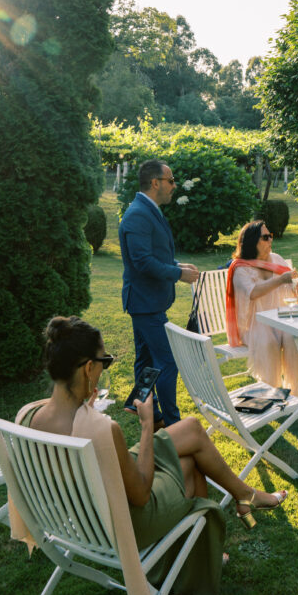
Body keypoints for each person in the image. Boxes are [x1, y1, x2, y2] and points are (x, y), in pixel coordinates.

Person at [18, 318, 288, 585]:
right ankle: (204, 561)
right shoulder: (101, 429)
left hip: (87, 514)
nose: (104, 369)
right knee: (192, 465)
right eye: (105, 361)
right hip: (122, 523)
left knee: (192, 428)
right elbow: (141, 494)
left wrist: (85, 406)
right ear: (89, 368)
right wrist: (147, 425)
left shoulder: (28, 417)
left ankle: (244, 496)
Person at [118, 159, 199, 427]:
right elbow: (142, 261)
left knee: (147, 359)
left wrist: (178, 265)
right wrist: (179, 275)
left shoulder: (148, 209)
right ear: (156, 183)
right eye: (171, 180)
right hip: (145, 303)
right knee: (167, 361)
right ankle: (173, 424)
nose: (174, 186)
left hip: (146, 302)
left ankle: (139, 405)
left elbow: (152, 254)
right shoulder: (139, 213)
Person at [225, 220, 298, 395]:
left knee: (293, 337)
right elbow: (252, 293)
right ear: (252, 241)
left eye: (271, 236)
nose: (270, 240)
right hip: (254, 324)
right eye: (265, 237)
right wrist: (281, 280)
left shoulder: (276, 259)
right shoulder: (240, 268)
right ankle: (272, 391)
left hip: (280, 318)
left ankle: (294, 391)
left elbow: (291, 289)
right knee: (268, 341)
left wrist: (297, 287)